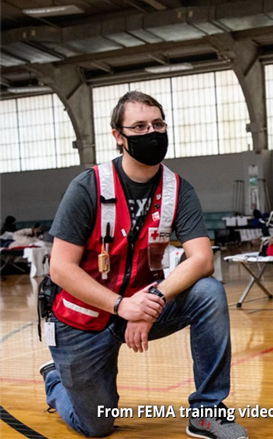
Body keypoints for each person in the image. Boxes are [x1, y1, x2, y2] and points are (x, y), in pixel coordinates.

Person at [40, 91, 247, 439]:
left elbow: (201, 259)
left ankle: (207, 411)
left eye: (158, 124)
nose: (152, 132)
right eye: (139, 126)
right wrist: (123, 306)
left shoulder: (178, 189)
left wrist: (152, 302)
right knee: (96, 426)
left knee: (208, 293)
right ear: (118, 136)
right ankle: (56, 379)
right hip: (84, 318)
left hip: (143, 305)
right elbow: (60, 269)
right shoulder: (88, 187)